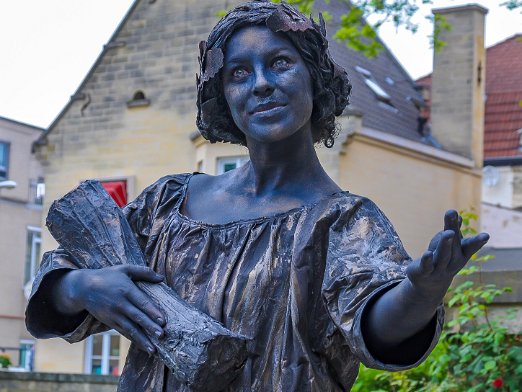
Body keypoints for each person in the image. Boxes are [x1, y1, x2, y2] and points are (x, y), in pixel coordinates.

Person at [25, 2, 489, 391]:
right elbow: (64, 277)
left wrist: (420, 292)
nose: (261, 83)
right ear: (223, 96)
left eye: (280, 63)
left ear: (314, 78)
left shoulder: (343, 223)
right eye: (238, 73)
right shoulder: (166, 205)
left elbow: (377, 325)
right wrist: (83, 287)